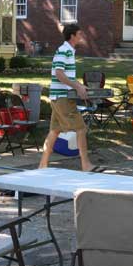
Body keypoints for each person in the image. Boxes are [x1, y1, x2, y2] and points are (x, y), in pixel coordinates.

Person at [39, 23, 94, 171]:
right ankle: (86, 165)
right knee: (81, 129)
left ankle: (42, 165)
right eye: (79, 34)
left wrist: (80, 86)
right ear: (72, 36)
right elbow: (59, 73)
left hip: (58, 97)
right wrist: (77, 87)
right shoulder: (65, 51)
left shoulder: (68, 51)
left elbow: (67, 76)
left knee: (55, 131)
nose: (81, 37)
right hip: (62, 97)